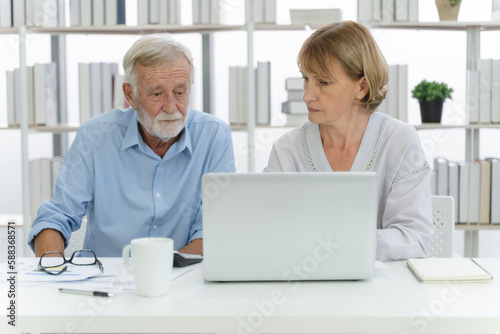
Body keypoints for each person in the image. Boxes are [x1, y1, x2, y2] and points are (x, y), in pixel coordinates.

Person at [28, 34, 235, 257]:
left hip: (183, 278)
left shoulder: (214, 136)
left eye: (180, 93)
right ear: (131, 95)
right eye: (156, 94)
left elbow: (213, 230)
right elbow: (57, 216)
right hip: (105, 283)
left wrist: (156, 271)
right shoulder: (95, 136)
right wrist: (52, 267)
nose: (170, 106)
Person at [265, 21, 434, 261]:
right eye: (306, 79)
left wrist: (342, 244)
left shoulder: (400, 141)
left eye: (323, 82)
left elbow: (412, 238)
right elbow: (267, 233)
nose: (307, 95)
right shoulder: (286, 150)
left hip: (381, 291)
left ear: (362, 87)